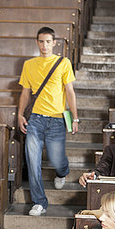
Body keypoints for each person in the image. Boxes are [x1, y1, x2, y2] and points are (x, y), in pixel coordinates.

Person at [17, 26, 79, 216]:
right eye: (41, 41)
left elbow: (69, 91)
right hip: (35, 119)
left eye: (48, 42)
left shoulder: (63, 62)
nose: (44, 45)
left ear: (54, 43)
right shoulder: (29, 65)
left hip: (56, 119)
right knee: (32, 159)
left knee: (57, 159)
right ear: (37, 43)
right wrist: (20, 115)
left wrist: (75, 117)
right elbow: (25, 93)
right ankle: (39, 202)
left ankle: (62, 172)